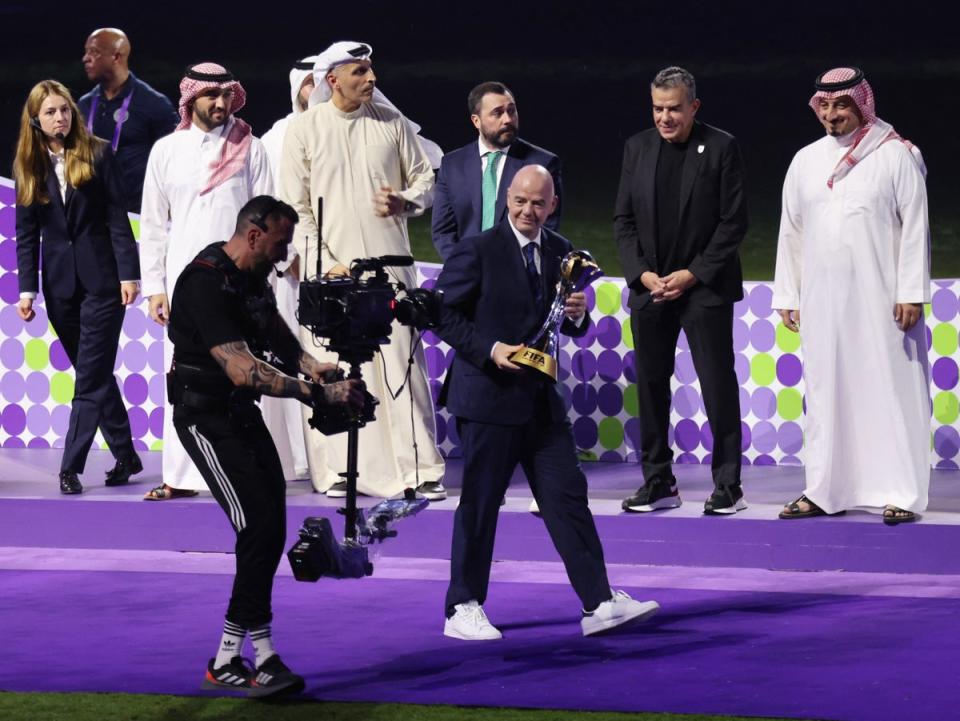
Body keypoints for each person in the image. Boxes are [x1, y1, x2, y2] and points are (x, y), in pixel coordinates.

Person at [436, 164, 660, 639]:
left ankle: (598, 603)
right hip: (486, 400)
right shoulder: (476, 250)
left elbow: (563, 323)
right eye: (519, 201)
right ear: (507, 200)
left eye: (538, 203)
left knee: (567, 498)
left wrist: (578, 314)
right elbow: (441, 314)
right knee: (480, 504)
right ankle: (462, 607)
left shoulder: (561, 253)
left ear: (552, 205)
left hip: (540, 402)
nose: (527, 211)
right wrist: (490, 349)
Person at [167, 195, 364, 696]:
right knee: (258, 527)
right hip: (205, 418)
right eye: (280, 242)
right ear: (255, 235)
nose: (286, 252)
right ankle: (253, 654)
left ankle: (238, 656)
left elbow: (268, 324)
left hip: (239, 414)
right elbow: (242, 368)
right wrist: (318, 392)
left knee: (270, 526)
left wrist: (305, 361)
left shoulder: (250, 275)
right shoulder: (203, 282)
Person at [279, 41, 445, 500]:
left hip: (390, 267)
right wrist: (327, 261)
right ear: (333, 79)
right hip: (331, 274)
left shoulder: (392, 123)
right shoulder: (305, 130)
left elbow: (425, 180)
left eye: (371, 70)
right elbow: (295, 207)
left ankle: (418, 470)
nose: (371, 79)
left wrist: (405, 202)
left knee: (400, 367)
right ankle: (338, 471)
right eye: (360, 72)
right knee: (337, 368)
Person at [773, 67, 931, 525]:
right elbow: (791, 231)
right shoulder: (805, 160)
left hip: (883, 299)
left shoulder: (894, 155)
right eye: (824, 106)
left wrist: (911, 292)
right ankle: (825, 489)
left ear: (861, 105)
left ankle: (902, 492)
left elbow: (916, 225)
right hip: (824, 300)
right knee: (826, 392)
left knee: (892, 388)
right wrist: (789, 293)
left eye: (841, 105)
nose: (831, 115)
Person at [614, 66, 748, 516]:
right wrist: (642, 275)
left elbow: (733, 223)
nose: (665, 117)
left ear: (694, 106)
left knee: (717, 384)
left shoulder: (722, 147)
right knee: (651, 387)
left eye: (674, 108)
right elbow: (624, 221)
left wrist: (692, 274)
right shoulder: (636, 147)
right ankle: (658, 482)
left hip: (703, 289)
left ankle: (728, 484)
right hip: (652, 289)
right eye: (657, 108)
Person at [140, 62, 272, 501]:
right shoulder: (166, 150)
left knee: (239, 375)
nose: (220, 104)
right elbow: (155, 225)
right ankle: (180, 475)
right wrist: (155, 286)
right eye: (211, 96)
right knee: (184, 377)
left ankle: (242, 469)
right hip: (183, 283)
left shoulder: (250, 147)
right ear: (189, 99)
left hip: (236, 282)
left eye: (226, 95)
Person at [13, 79, 142, 494]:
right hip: (59, 286)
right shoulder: (28, 166)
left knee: (88, 378)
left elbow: (117, 218)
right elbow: (26, 234)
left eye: (65, 109)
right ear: (35, 119)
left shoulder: (99, 152)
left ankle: (70, 466)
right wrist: (27, 291)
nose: (60, 118)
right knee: (96, 373)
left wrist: (129, 275)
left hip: (104, 283)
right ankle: (126, 453)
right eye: (50, 112)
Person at [255, 55, 322, 483]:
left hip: (335, 260)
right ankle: (291, 457)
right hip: (290, 265)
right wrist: (286, 253)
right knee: (289, 348)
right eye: (310, 84)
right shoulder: (277, 137)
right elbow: (271, 198)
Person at [431, 81, 563, 262]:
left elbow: (547, 228)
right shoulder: (452, 165)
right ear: (476, 121)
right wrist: (464, 267)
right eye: (497, 113)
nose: (508, 119)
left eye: (511, 110)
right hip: (466, 276)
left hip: (517, 277)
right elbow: (443, 231)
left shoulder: (542, 164)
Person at [78, 28, 178, 213]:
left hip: (138, 216)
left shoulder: (154, 104)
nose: (85, 58)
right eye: (86, 51)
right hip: (93, 216)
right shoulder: (83, 106)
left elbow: (177, 162)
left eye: (94, 52)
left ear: (116, 57)